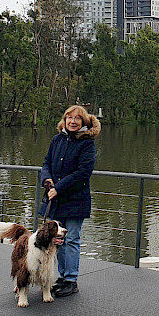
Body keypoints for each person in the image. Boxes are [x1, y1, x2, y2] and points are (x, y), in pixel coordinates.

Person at [38, 104, 100, 298]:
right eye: (69, 118)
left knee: (71, 239)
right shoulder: (57, 139)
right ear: (64, 120)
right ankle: (62, 278)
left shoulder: (86, 144)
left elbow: (83, 173)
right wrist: (46, 179)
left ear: (84, 122)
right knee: (58, 240)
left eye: (77, 118)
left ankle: (71, 280)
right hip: (55, 199)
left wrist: (59, 187)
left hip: (75, 200)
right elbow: (46, 162)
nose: (73, 121)